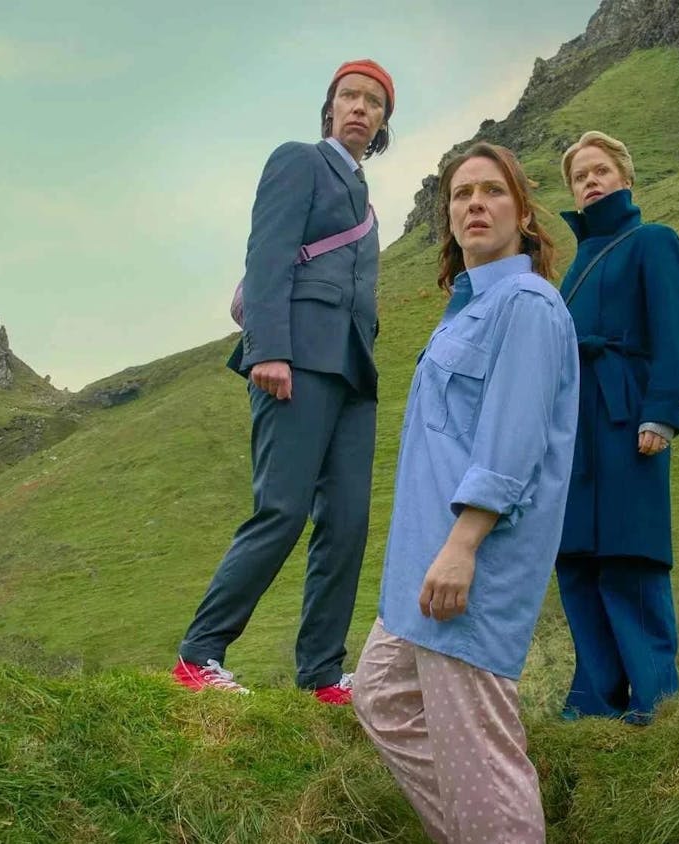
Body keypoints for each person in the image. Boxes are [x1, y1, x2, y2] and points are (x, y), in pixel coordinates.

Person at [353, 142, 578, 843]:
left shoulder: (528, 306)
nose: (474, 204)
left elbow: (511, 443)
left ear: (522, 213)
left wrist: (462, 545)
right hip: (420, 564)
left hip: (467, 564)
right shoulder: (467, 309)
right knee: (382, 696)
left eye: (491, 192)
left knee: (483, 760)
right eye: (460, 194)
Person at [173, 59, 395, 705]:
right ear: (330, 108)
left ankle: (322, 674)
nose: (359, 107)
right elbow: (267, 253)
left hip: (353, 372)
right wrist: (269, 349)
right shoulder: (299, 160)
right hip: (293, 360)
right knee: (283, 510)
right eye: (349, 96)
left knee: (348, 520)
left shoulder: (368, 204)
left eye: (373, 102)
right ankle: (198, 656)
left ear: (383, 123)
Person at [554, 131, 679, 726]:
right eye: (581, 175)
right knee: (577, 557)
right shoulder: (575, 266)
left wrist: (660, 412)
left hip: (626, 412)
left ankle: (656, 699)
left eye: (601, 170)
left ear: (625, 178)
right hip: (573, 428)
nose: (591, 181)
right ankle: (593, 701)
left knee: (630, 555)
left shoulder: (653, 241)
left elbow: (671, 331)